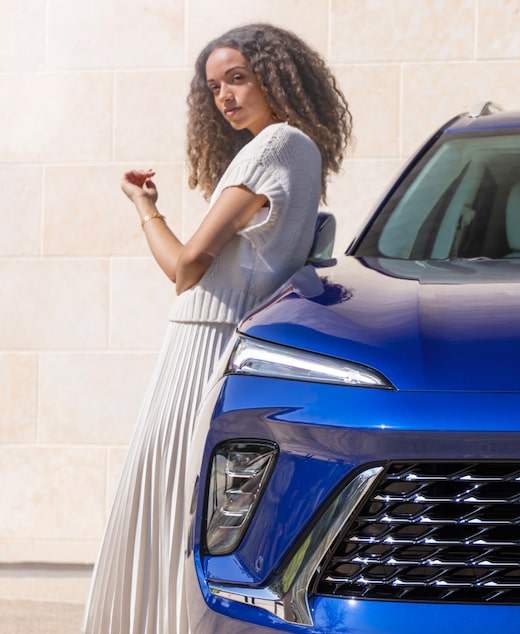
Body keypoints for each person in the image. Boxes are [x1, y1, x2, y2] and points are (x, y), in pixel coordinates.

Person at [83, 23, 352, 633]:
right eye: (214, 87)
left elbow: (186, 266)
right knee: (189, 498)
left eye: (238, 78)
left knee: (170, 495)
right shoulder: (301, 150)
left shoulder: (274, 147)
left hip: (204, 338)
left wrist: (144, 207)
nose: (225, 97)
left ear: (276, 77)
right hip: (224, 333)